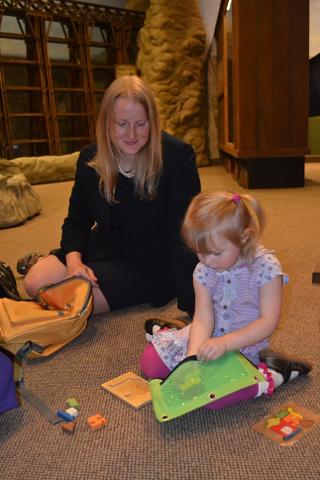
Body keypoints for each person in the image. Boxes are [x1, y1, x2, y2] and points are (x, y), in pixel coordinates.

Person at [21, 75, 201, 316]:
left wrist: (194, 306)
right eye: (122, 123)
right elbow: (77, 221)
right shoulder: (90, 158)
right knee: (34, 282)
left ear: (154, 122)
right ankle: (47, 266)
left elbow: (185, 233)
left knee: (74, 304)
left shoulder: (178, 157)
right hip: (105, 246)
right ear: (107, 123)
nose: (132, 134)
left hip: (150, 261)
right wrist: (75, 263)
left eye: (141, 123)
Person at [140, 191, 312, 409]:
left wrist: (225, 343)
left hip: (242, 344)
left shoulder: (266, 269)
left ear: (244, 238)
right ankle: (175, 331)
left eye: (215, 253)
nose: (207, 261)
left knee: (210, 398)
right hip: (208, 335)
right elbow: (203, 318)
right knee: (150, 365)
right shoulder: (204, 270)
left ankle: (276, 372)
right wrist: (191, 361)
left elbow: (267, 323)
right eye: (200, 253)